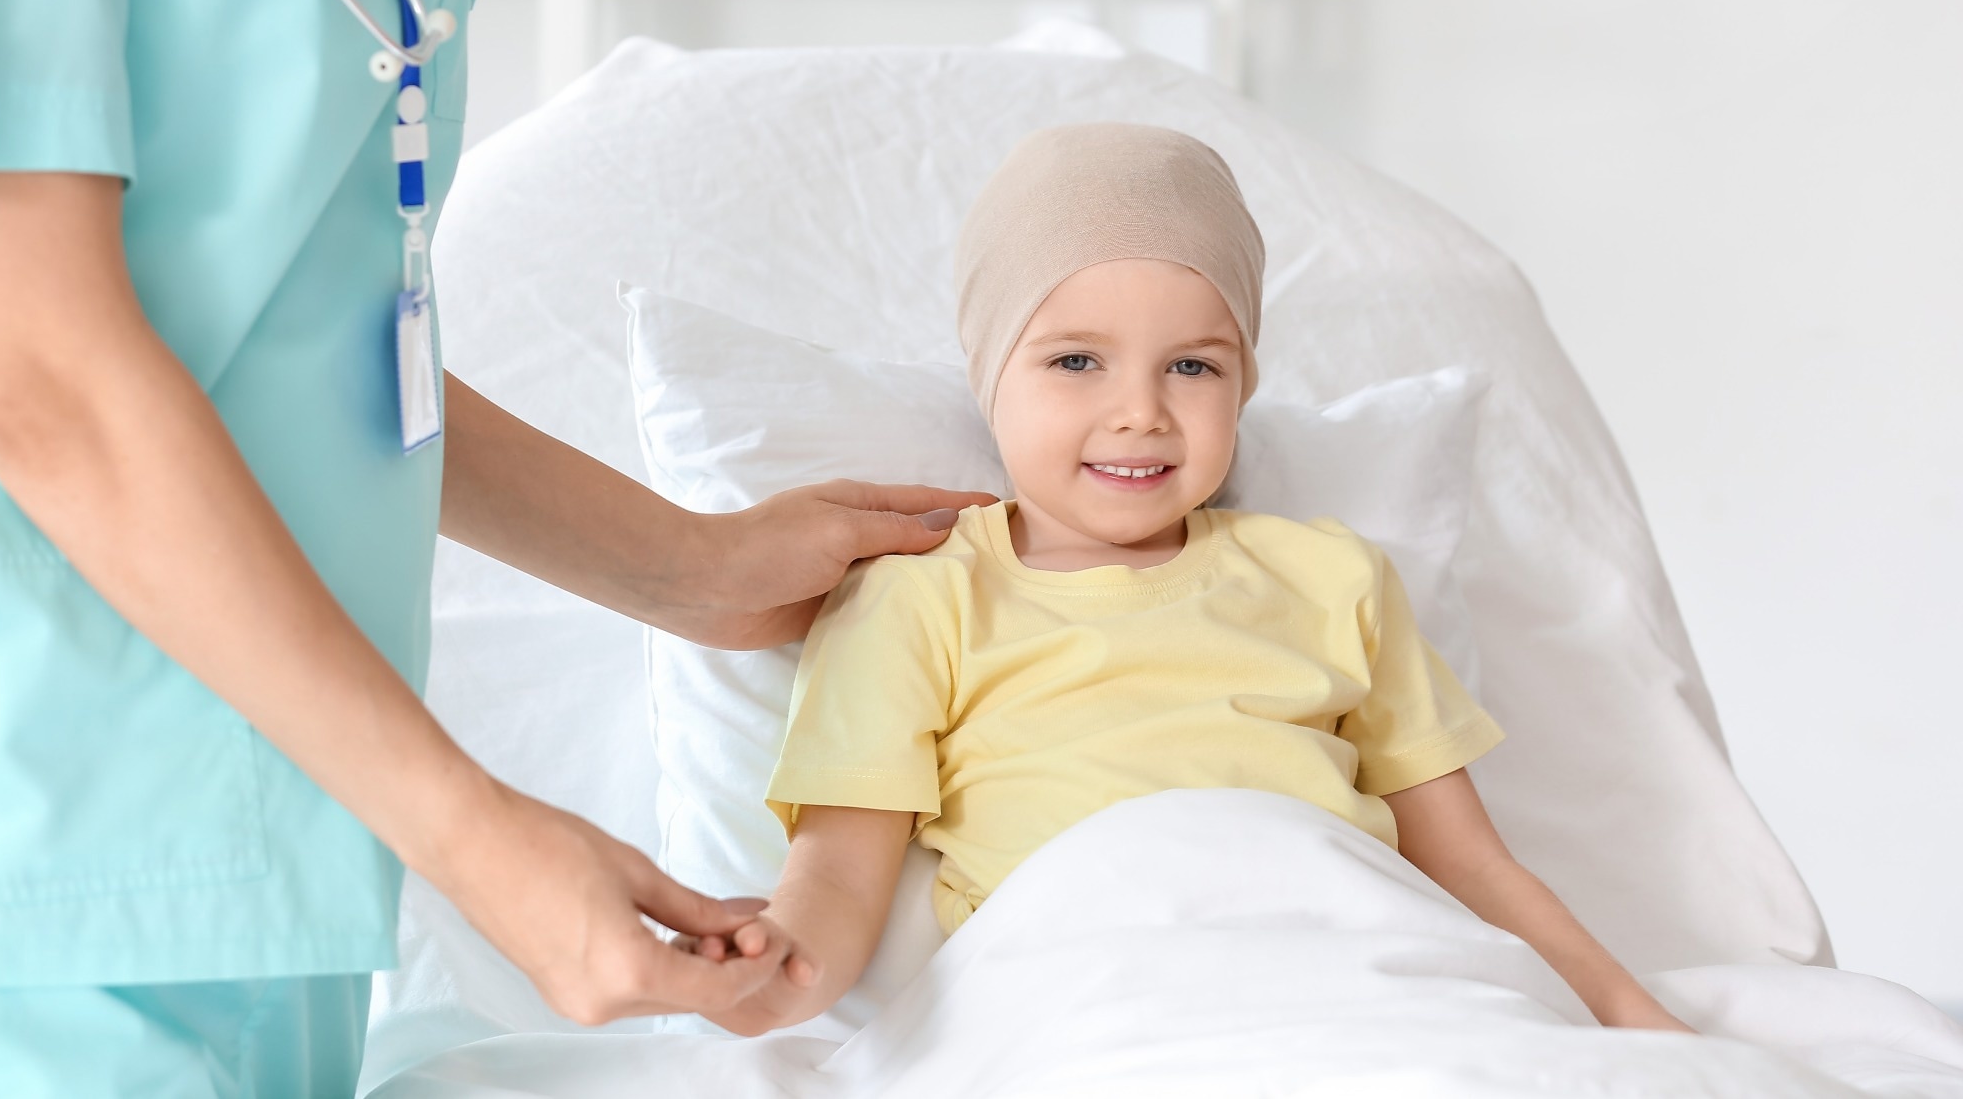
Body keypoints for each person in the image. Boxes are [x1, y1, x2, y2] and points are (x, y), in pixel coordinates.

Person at [0, 0, 990, 1093]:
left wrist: (691, 568)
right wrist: (478, 836)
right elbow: (30, 364)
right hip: (45, 820)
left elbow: (304, 322)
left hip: (287, 847)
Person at [684, 123, 1695, 1037]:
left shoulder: (1329, 578)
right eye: (1076, 361)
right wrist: (772, 973)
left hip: (1348, 977)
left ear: (1243, 380)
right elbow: (839, 872)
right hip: (1089, 990)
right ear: (989, 378)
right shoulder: (916, 596)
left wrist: (1630, 1017)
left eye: (1192, 367)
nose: (1139, 412)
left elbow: (1470, 865)